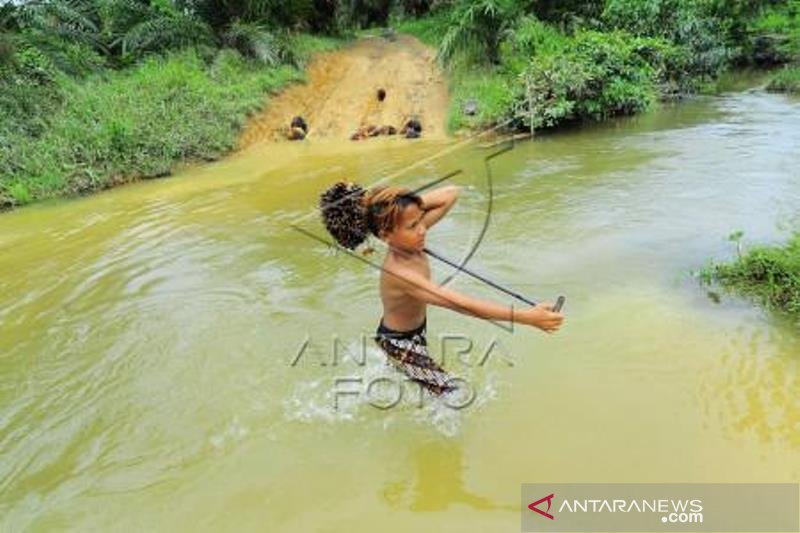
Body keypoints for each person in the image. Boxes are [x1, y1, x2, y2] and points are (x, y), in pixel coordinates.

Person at [319, 183, 565, 394]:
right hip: (400, 344)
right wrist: (527, 317)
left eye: (420, 221)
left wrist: (404, 204)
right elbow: (460, 304)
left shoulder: (407, 234)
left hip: (414, 330)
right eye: (413, 226)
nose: (423, 228)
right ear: (385, 235)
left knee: (433, 390)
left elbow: (451, 193)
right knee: (453, 394)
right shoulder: (400, 273)